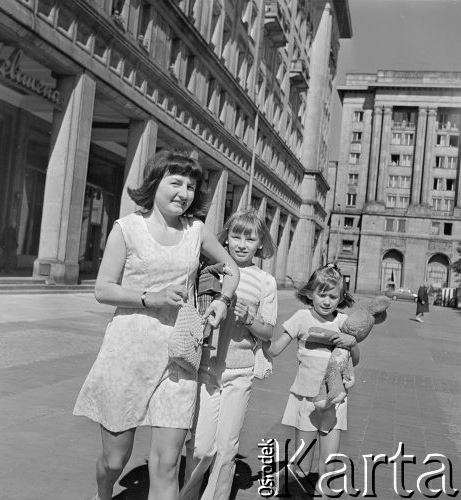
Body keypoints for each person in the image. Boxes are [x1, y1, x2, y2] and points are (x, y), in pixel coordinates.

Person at [73, 150, 240, 500]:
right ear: (155, 184)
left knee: (166, 465)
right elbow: (103, 289)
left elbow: (231, 267)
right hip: (128, 351)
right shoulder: (128, 229)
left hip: (179, 356)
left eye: (191, 186)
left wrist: (223, 301)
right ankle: (103, 492)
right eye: (175, 182)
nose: (184, 192)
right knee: (115, 460)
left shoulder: (196, 231)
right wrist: (153, 297)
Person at [181, 209, 278, 500]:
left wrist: (249, 317)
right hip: (206, 370)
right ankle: (188, 495)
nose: (241, 244)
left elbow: (268, 331)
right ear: (225, 237)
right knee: (199, 448)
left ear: (261, 243)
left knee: (226, 449)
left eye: (250, 238)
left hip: (240, 372)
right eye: (235, 236)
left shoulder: (265, 281)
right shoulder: (210, 269)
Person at [267, 263, 358, 496]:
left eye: (333, 296)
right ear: (310, 293)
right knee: (301, 468)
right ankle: (282, 477)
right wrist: (254, 329)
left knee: (327, 466)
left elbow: (354, 360)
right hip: (306, 401)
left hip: (334, 401)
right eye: (322, 294)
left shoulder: (344, 322)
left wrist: (353, 343)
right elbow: (275, 349)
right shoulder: (301, 317)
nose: (327, 301)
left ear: (341, 298)